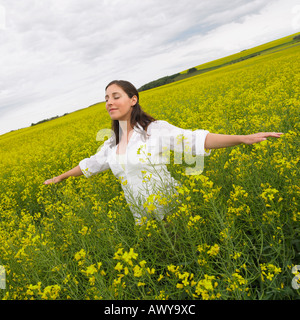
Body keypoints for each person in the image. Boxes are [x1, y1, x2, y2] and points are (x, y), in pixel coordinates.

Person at [44, 80, 284, 223]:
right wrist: (61, 177)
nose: (109, 102)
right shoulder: (111, 144)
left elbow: (195, 140)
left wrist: (242, 138)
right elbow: (91, 164)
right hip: (142, 219)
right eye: (106, 98)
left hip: (173, 212)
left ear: (133, 100)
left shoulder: (153, 130)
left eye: (116, 96)